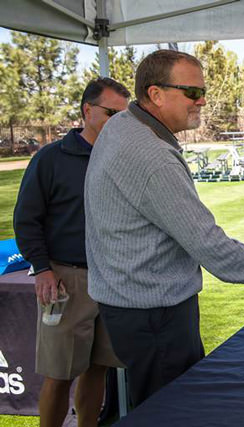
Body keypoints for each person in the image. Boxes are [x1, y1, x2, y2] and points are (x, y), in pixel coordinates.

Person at [84, 49, 244, 408]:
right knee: (172, 411)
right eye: (192, 93)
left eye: (203, 91)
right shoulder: (150, 156)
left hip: (130, 305)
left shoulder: (123, 124)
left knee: (154, 407)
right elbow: (212, 248)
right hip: (155, 315)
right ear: (155, 94)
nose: (202, 101)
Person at [13, 78, 130, 427]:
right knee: (60, 373)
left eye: (125, 116)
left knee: (99, 368)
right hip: (66, 279)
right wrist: (43, 270)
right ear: (87, 111)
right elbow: (26, 219)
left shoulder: (123, 158)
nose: (119, 122)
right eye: (112, 113)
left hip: (113, 279)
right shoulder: (50, 158)